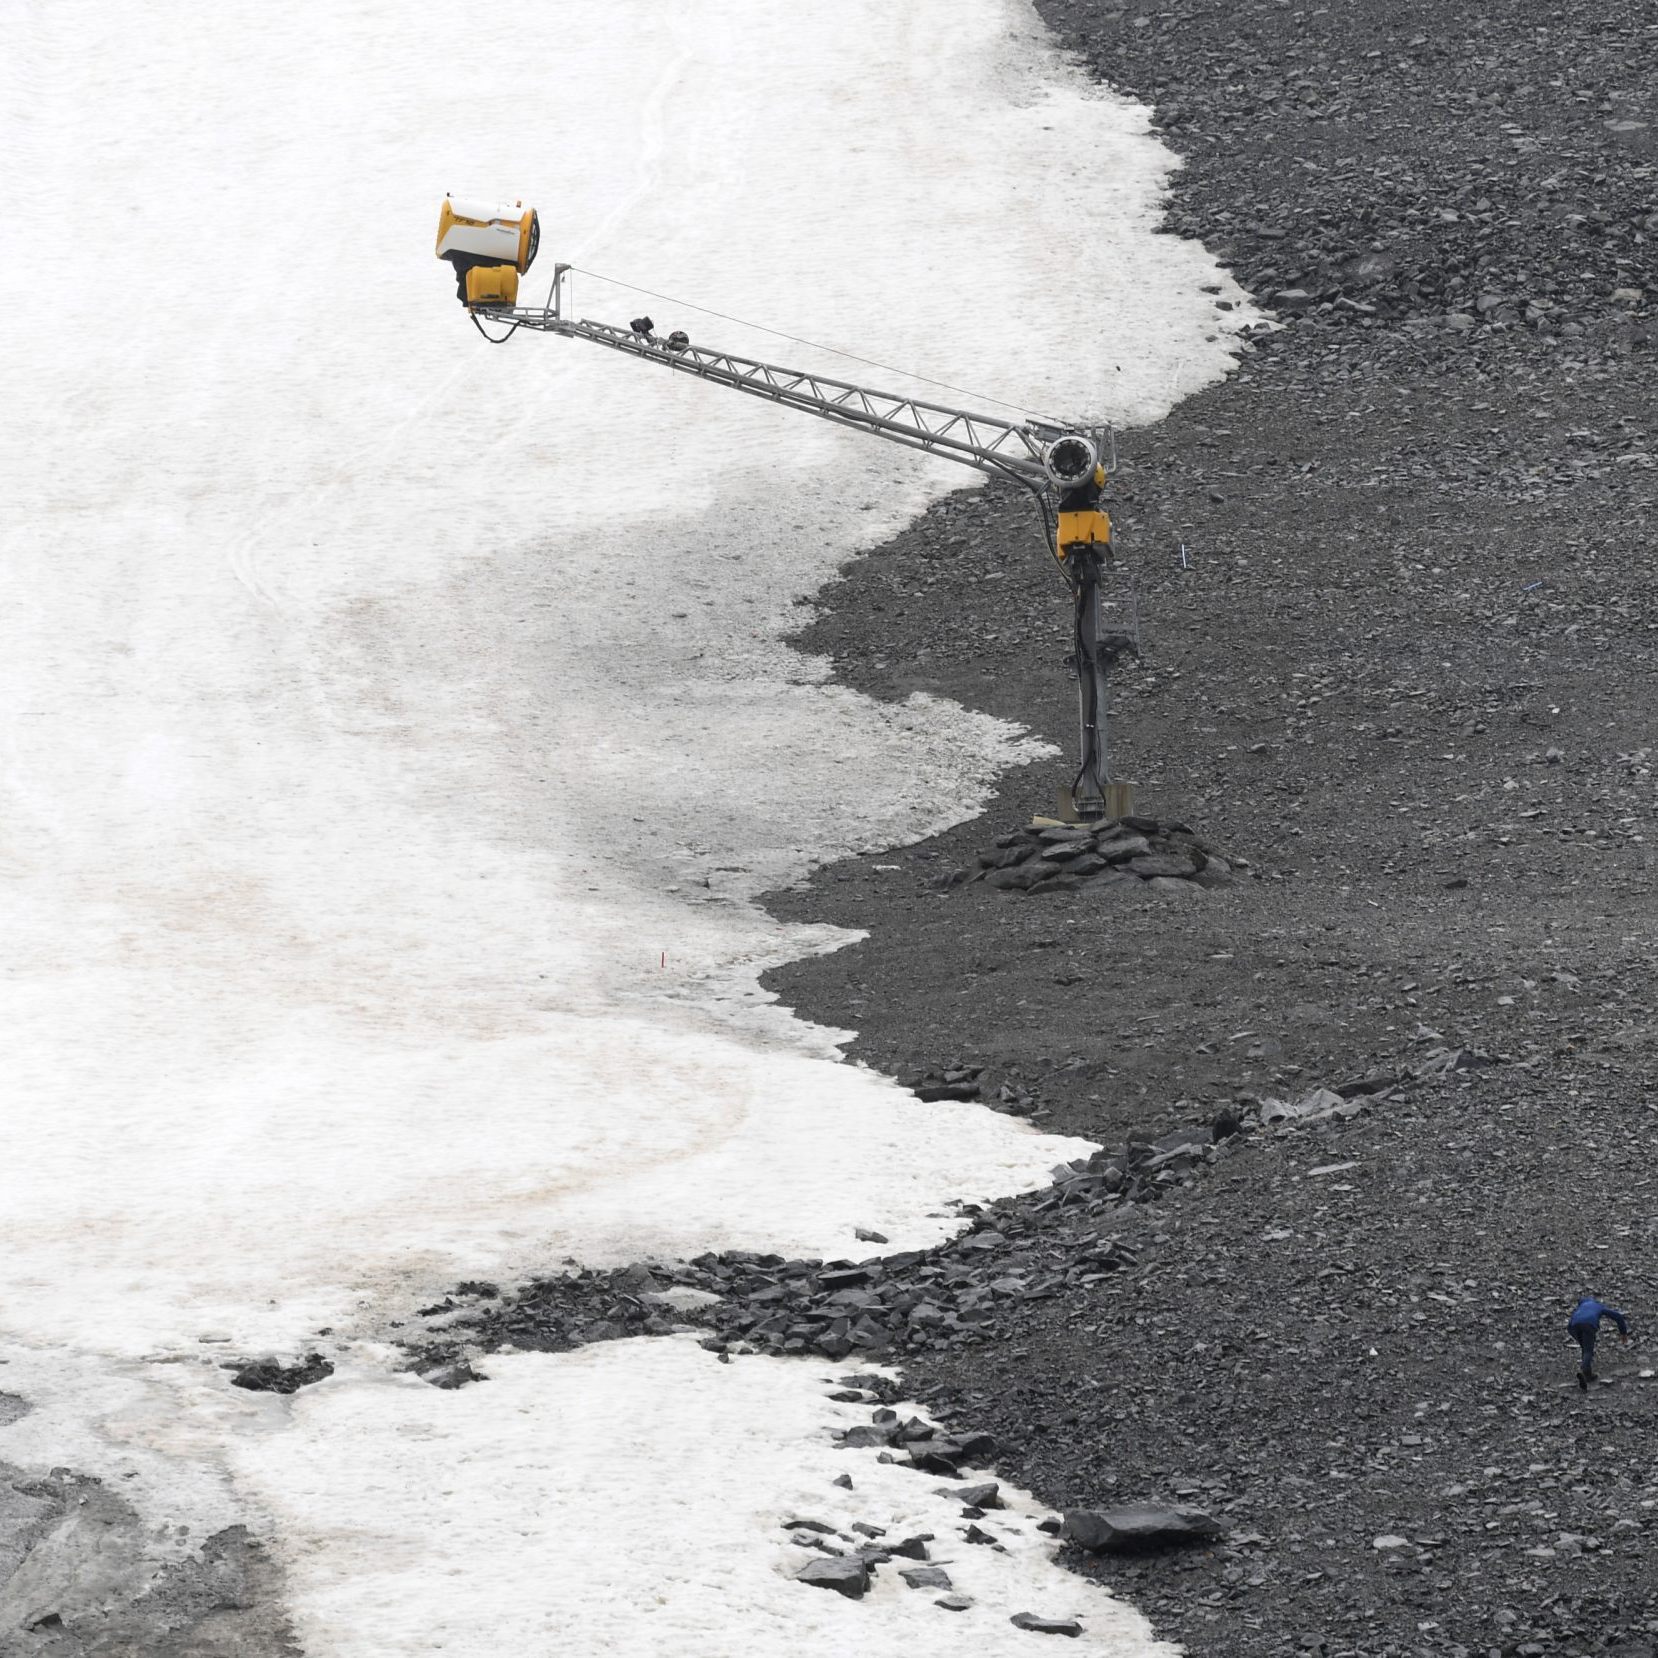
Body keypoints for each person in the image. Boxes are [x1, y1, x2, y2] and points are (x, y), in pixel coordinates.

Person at [1567, 1292, 1629, 1390]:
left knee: (1585, 1347)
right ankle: (1585, 1372)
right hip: (1589, 1325)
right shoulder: (1598, 1306)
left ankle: (1587, 1372)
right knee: (1588, 1350)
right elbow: (1617, 1316)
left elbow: (1570, 1322)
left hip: (1574, 1326)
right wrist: (1623, 1333)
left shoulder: (1580, 1307)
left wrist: (1573, 1333)